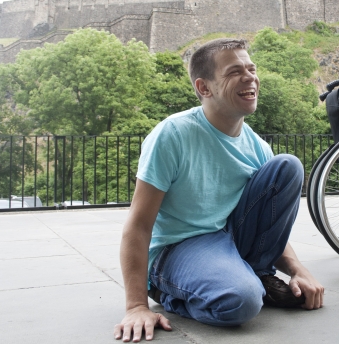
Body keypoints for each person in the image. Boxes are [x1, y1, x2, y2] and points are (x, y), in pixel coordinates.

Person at [114, 38, 324, 342]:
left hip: (230, 237)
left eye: (251, 69)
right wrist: (136, 306)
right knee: (243, 302)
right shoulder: (172, 135)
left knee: (287, 166)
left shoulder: (257, 147)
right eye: (234, 71)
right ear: (204, 88)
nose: (250, 77)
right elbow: (138, 224)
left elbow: (268, 223)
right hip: (178, 247)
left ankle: (255, 274)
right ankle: (169, 290)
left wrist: (297, 268)